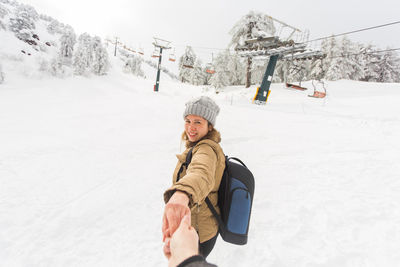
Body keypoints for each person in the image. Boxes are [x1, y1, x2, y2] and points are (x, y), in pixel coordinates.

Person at [162, 96, 225, 258]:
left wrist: (182, 194)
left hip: (198, 233)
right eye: (188, 121)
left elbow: (201, 173)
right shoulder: (198, 146)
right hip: (198, 228)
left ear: (209, 126)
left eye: (198, 122)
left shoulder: (206, 149)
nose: (191, 127)